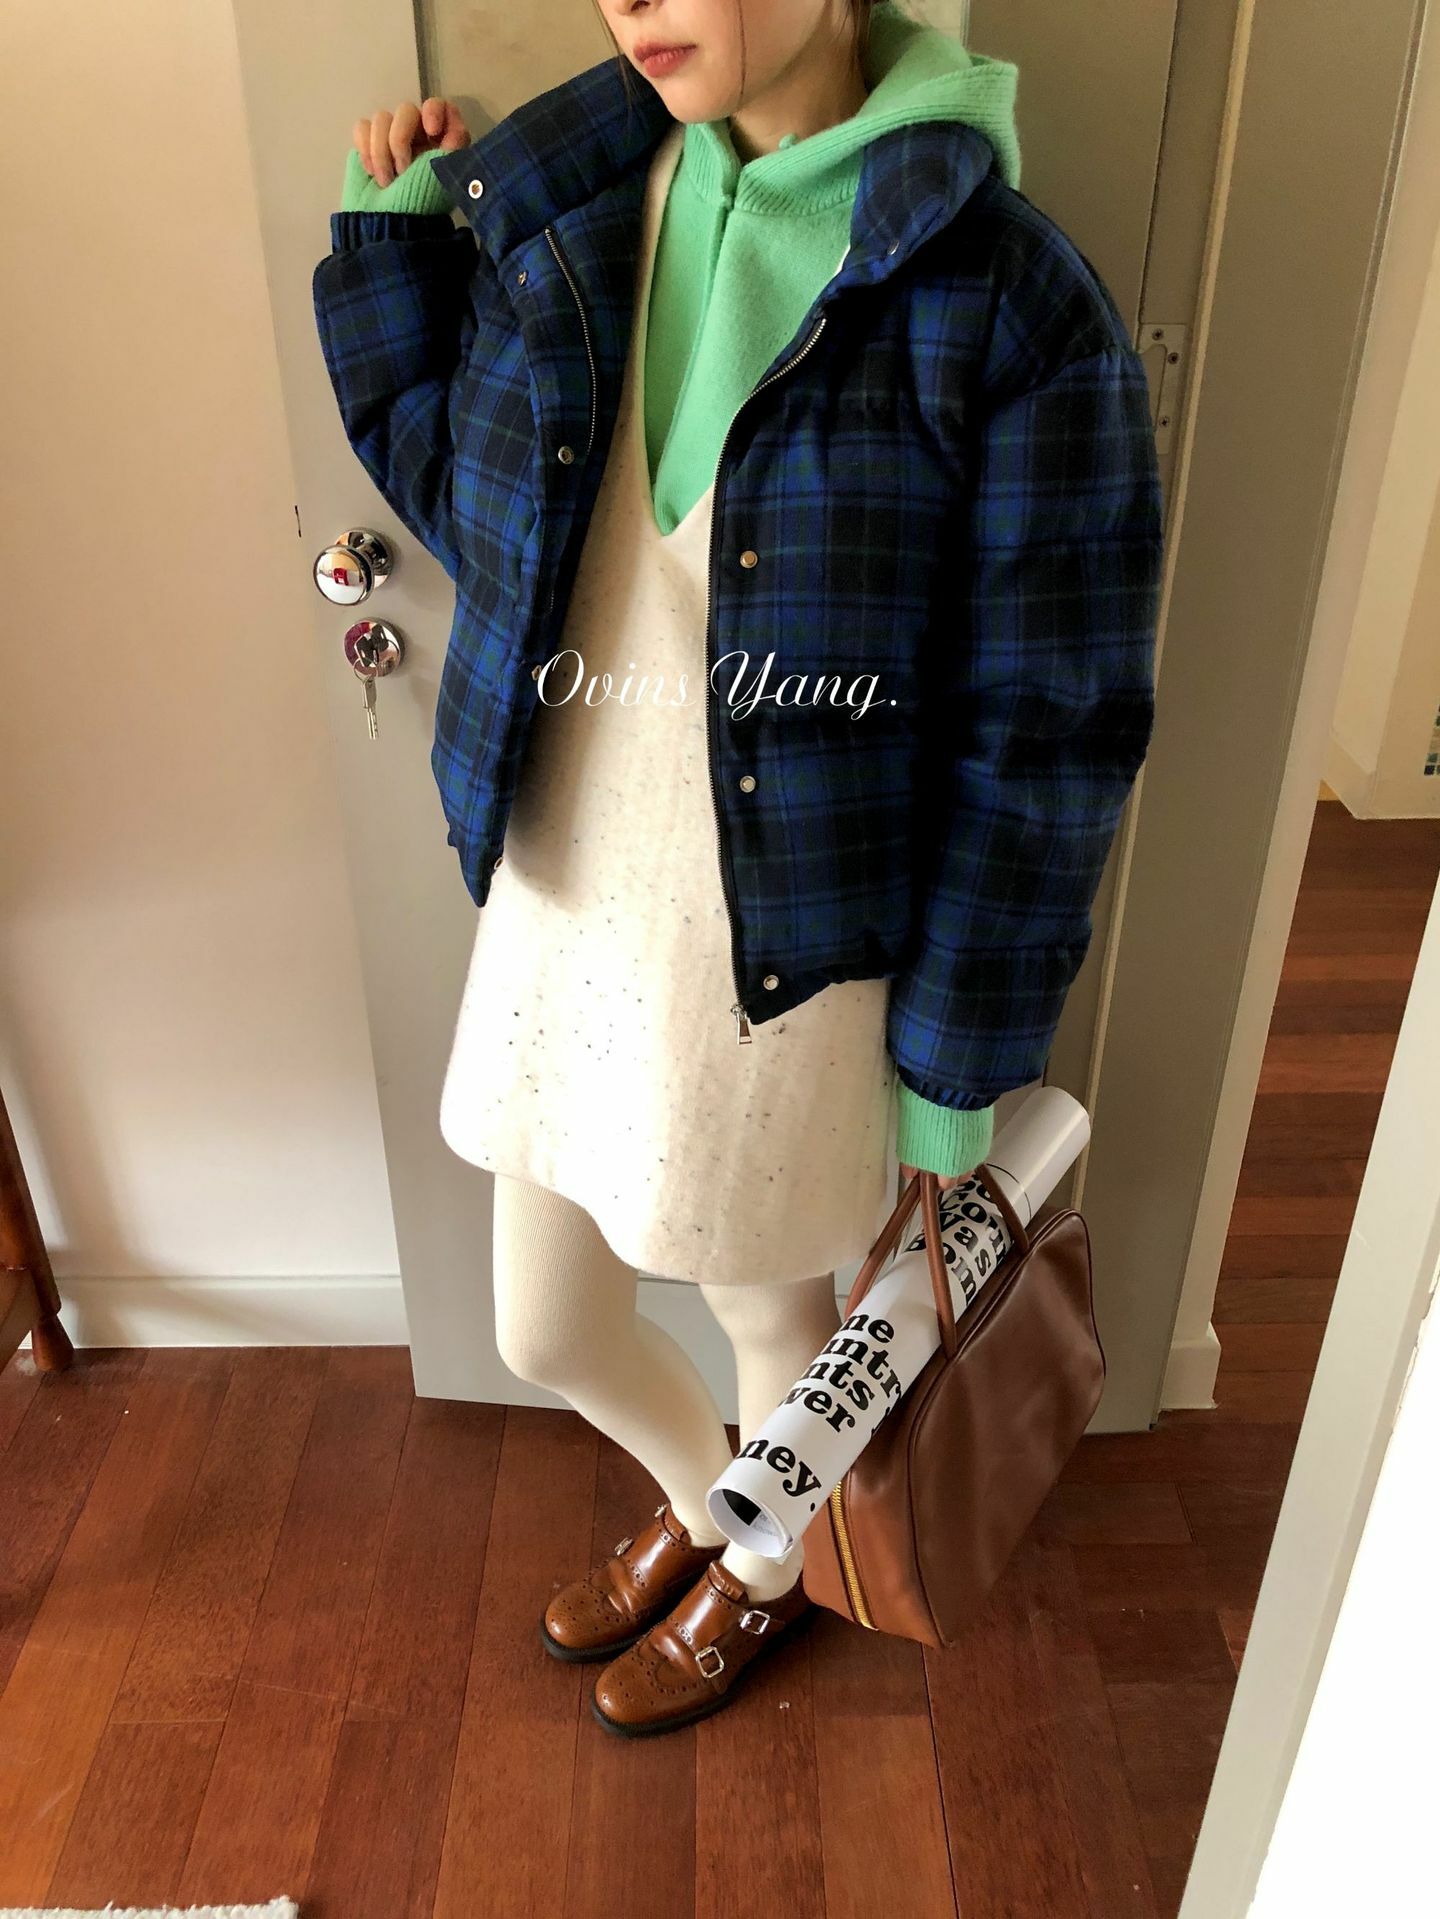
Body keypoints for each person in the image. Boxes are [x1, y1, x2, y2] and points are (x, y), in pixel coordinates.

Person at [312, 0, 1164, 1739]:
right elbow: (474, 513)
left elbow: (1048, 726)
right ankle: (717, 1513)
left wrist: (955, 1075)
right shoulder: (566, 209)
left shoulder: (1011, 303)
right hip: (565, 901)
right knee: (545, 1328)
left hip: (785, 953)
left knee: (773, 1328)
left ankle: (765, 1573)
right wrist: (395, 251)